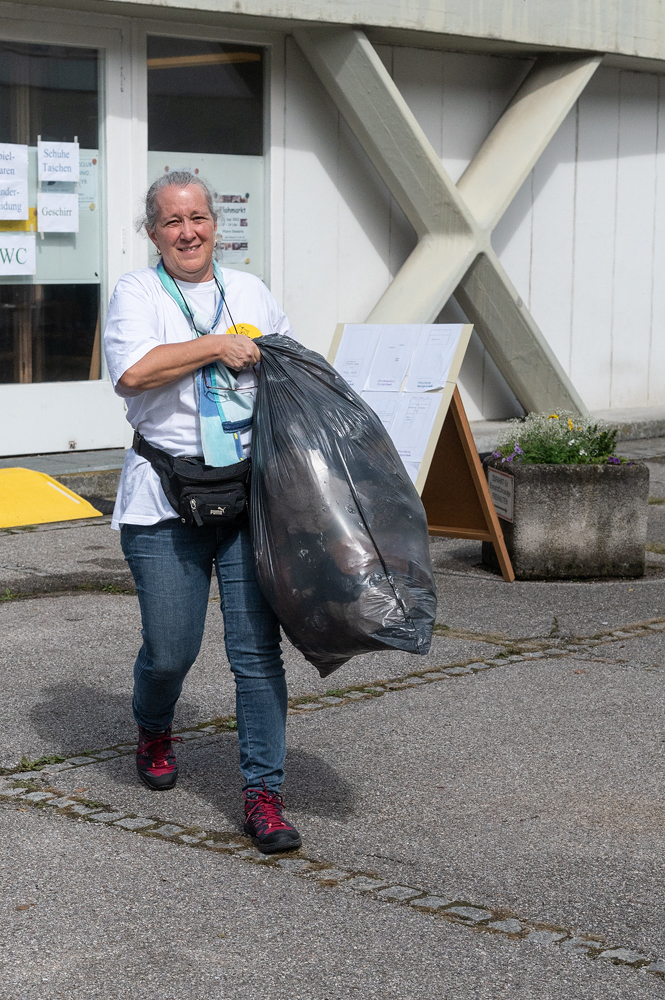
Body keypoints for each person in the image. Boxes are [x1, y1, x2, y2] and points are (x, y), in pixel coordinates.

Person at [103, 171, 301, 854]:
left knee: (256, 654)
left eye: (197, 218)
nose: (187, 232)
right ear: (152, 232)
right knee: (170, 652)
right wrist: (217, 345)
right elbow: (133, 373)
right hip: (164, 496)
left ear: (216, 223)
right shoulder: (136, 292)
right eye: (172, 221)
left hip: (248, 495)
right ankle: (154, 726)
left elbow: (288, 367)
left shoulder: (250, 292)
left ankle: (264, 795)